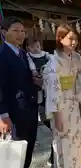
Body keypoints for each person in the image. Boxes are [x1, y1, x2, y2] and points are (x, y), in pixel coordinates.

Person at [42, 24, 81, 168]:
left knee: (77, 142)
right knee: (64, 142)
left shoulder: (76, 57)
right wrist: (57, 114)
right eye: (70, 39)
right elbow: (52, 90)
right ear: (60, 39)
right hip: (60, 107)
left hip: (73, 105)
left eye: (76, 39)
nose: (74, 42)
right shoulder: (54, 63)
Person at [0, 17, 39, 168]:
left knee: (27, 150)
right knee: (15, 154)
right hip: (13, 112)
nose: (20, 34)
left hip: (29, 109)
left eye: (22, 31)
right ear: (4, 32)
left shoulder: (23, 53)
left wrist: (36, 81)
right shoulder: (2, 55)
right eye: (15, 30)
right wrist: (3, 116)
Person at [25, 36, 54, 166]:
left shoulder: (46, 55)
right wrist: (34, 73)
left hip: (47, 83)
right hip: (37, 84)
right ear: (28, 47)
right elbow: (31, 68)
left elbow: (52, 59)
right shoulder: (28, 57)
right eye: (33, 47)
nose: (36, 49)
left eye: (37, 46)